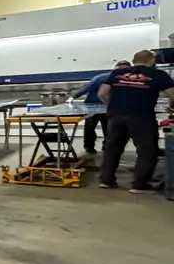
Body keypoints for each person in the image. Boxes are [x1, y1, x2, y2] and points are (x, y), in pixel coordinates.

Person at [97, 49, 174, 193]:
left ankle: (106, 181)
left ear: (134, 60)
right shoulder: (158, 74)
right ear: (152, 61)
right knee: (147, 150)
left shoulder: (118, 73)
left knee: (112, 149)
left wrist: (113, 105)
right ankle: (140, 185)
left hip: (115, 116)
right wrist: (171, 107)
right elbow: (172, 95)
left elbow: (102, 93)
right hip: (141, 116)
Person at [72, 60, 131, 153]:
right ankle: (89, 146)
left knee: (107, 127)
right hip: (91, 106)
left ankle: (106, 146)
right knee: (90, 127)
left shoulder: (125, 80)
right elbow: (86, 88)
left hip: (107, 106)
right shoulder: (101, 78)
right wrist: (73, 97)